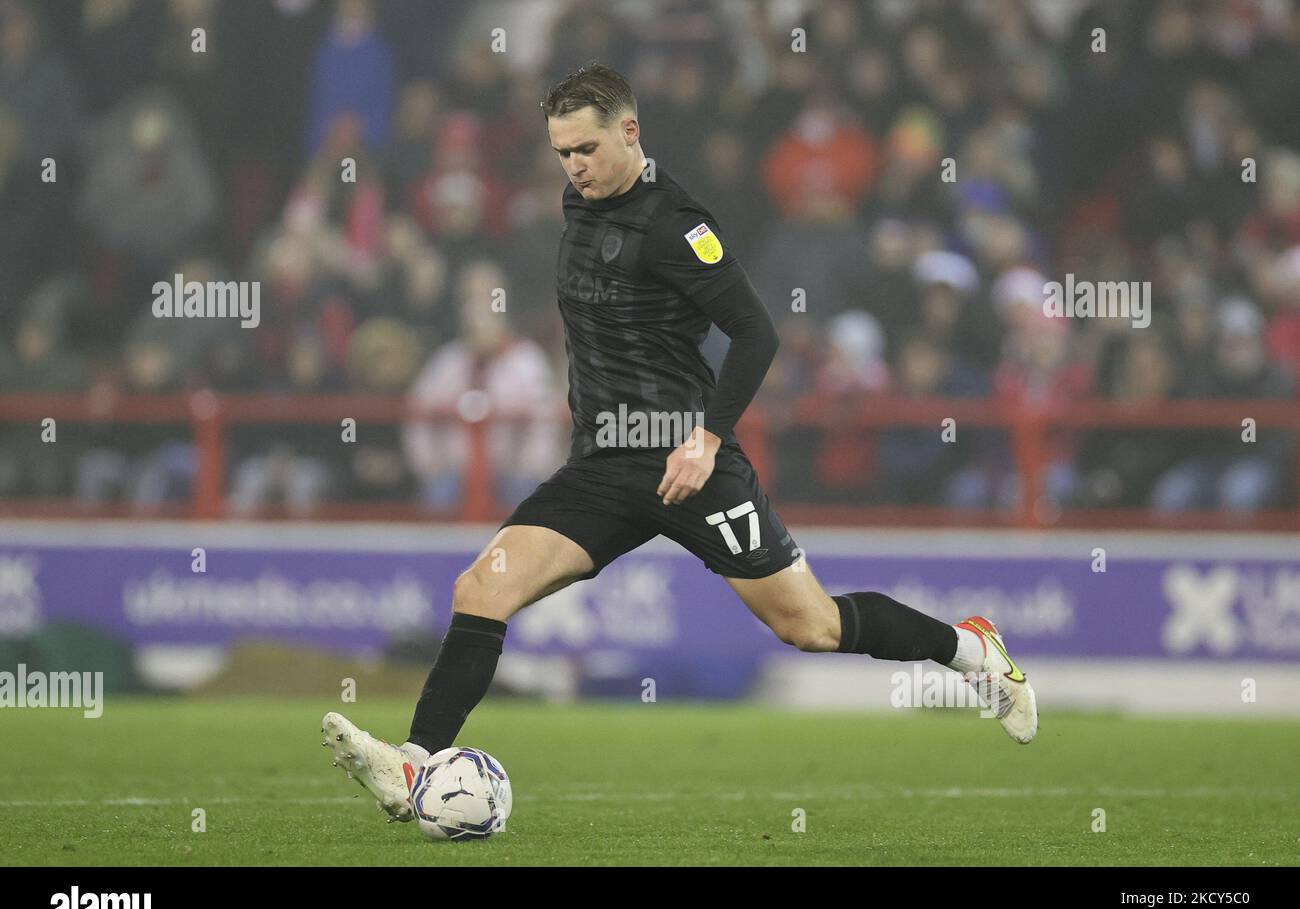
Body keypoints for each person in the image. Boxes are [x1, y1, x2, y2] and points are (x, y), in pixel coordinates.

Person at [321, 64, 1038, 824]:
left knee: (811, 625)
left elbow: (756, 333)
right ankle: (415, 762)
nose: (574, 166)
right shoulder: (577, 201)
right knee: (479, 590)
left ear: (630, 131)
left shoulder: (676, 222)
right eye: (562, 151)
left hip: (687, 465)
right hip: (600, 466)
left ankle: (971, 650)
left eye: (588, 148)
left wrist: (704, 440)